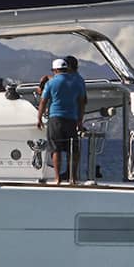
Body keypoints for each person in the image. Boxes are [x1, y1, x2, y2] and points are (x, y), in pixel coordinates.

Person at [36, 56, 87, 184]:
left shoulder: (51, 83)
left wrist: (39, 118)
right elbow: (82, 102)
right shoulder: (77, 82)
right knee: (73, 149)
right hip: (72, 119)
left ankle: (57, 178)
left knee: (56, 148)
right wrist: (80, 120)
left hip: (55, 119)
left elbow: (43, 101)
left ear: (55, 70)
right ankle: (73, 178)